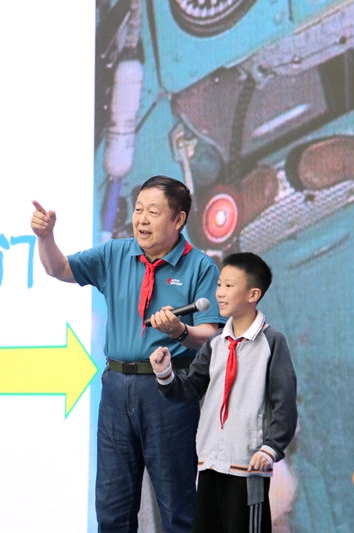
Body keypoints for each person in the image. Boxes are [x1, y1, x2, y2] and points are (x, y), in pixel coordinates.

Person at [30, 175, 224, 533]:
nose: (142, 220)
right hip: (116, 389)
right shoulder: (114, 254)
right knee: (111, 510)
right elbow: (58, 268)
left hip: (170, 389)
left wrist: (180, 331)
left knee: (178, 510)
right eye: (138, 210)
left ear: (178, 220)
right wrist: (46, 238)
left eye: (153, 212)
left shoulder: (200, 267)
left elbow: (211, 336)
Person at [149, 252, 298, 533]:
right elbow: (191, 389)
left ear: (253, 294)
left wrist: (270, 449)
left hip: (248, 466)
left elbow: (285, 405)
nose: (219, 293)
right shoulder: (215, 343)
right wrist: (165, 373)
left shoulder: (272, 342)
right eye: (219, 285)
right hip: (210, 463)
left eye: (229, 286)